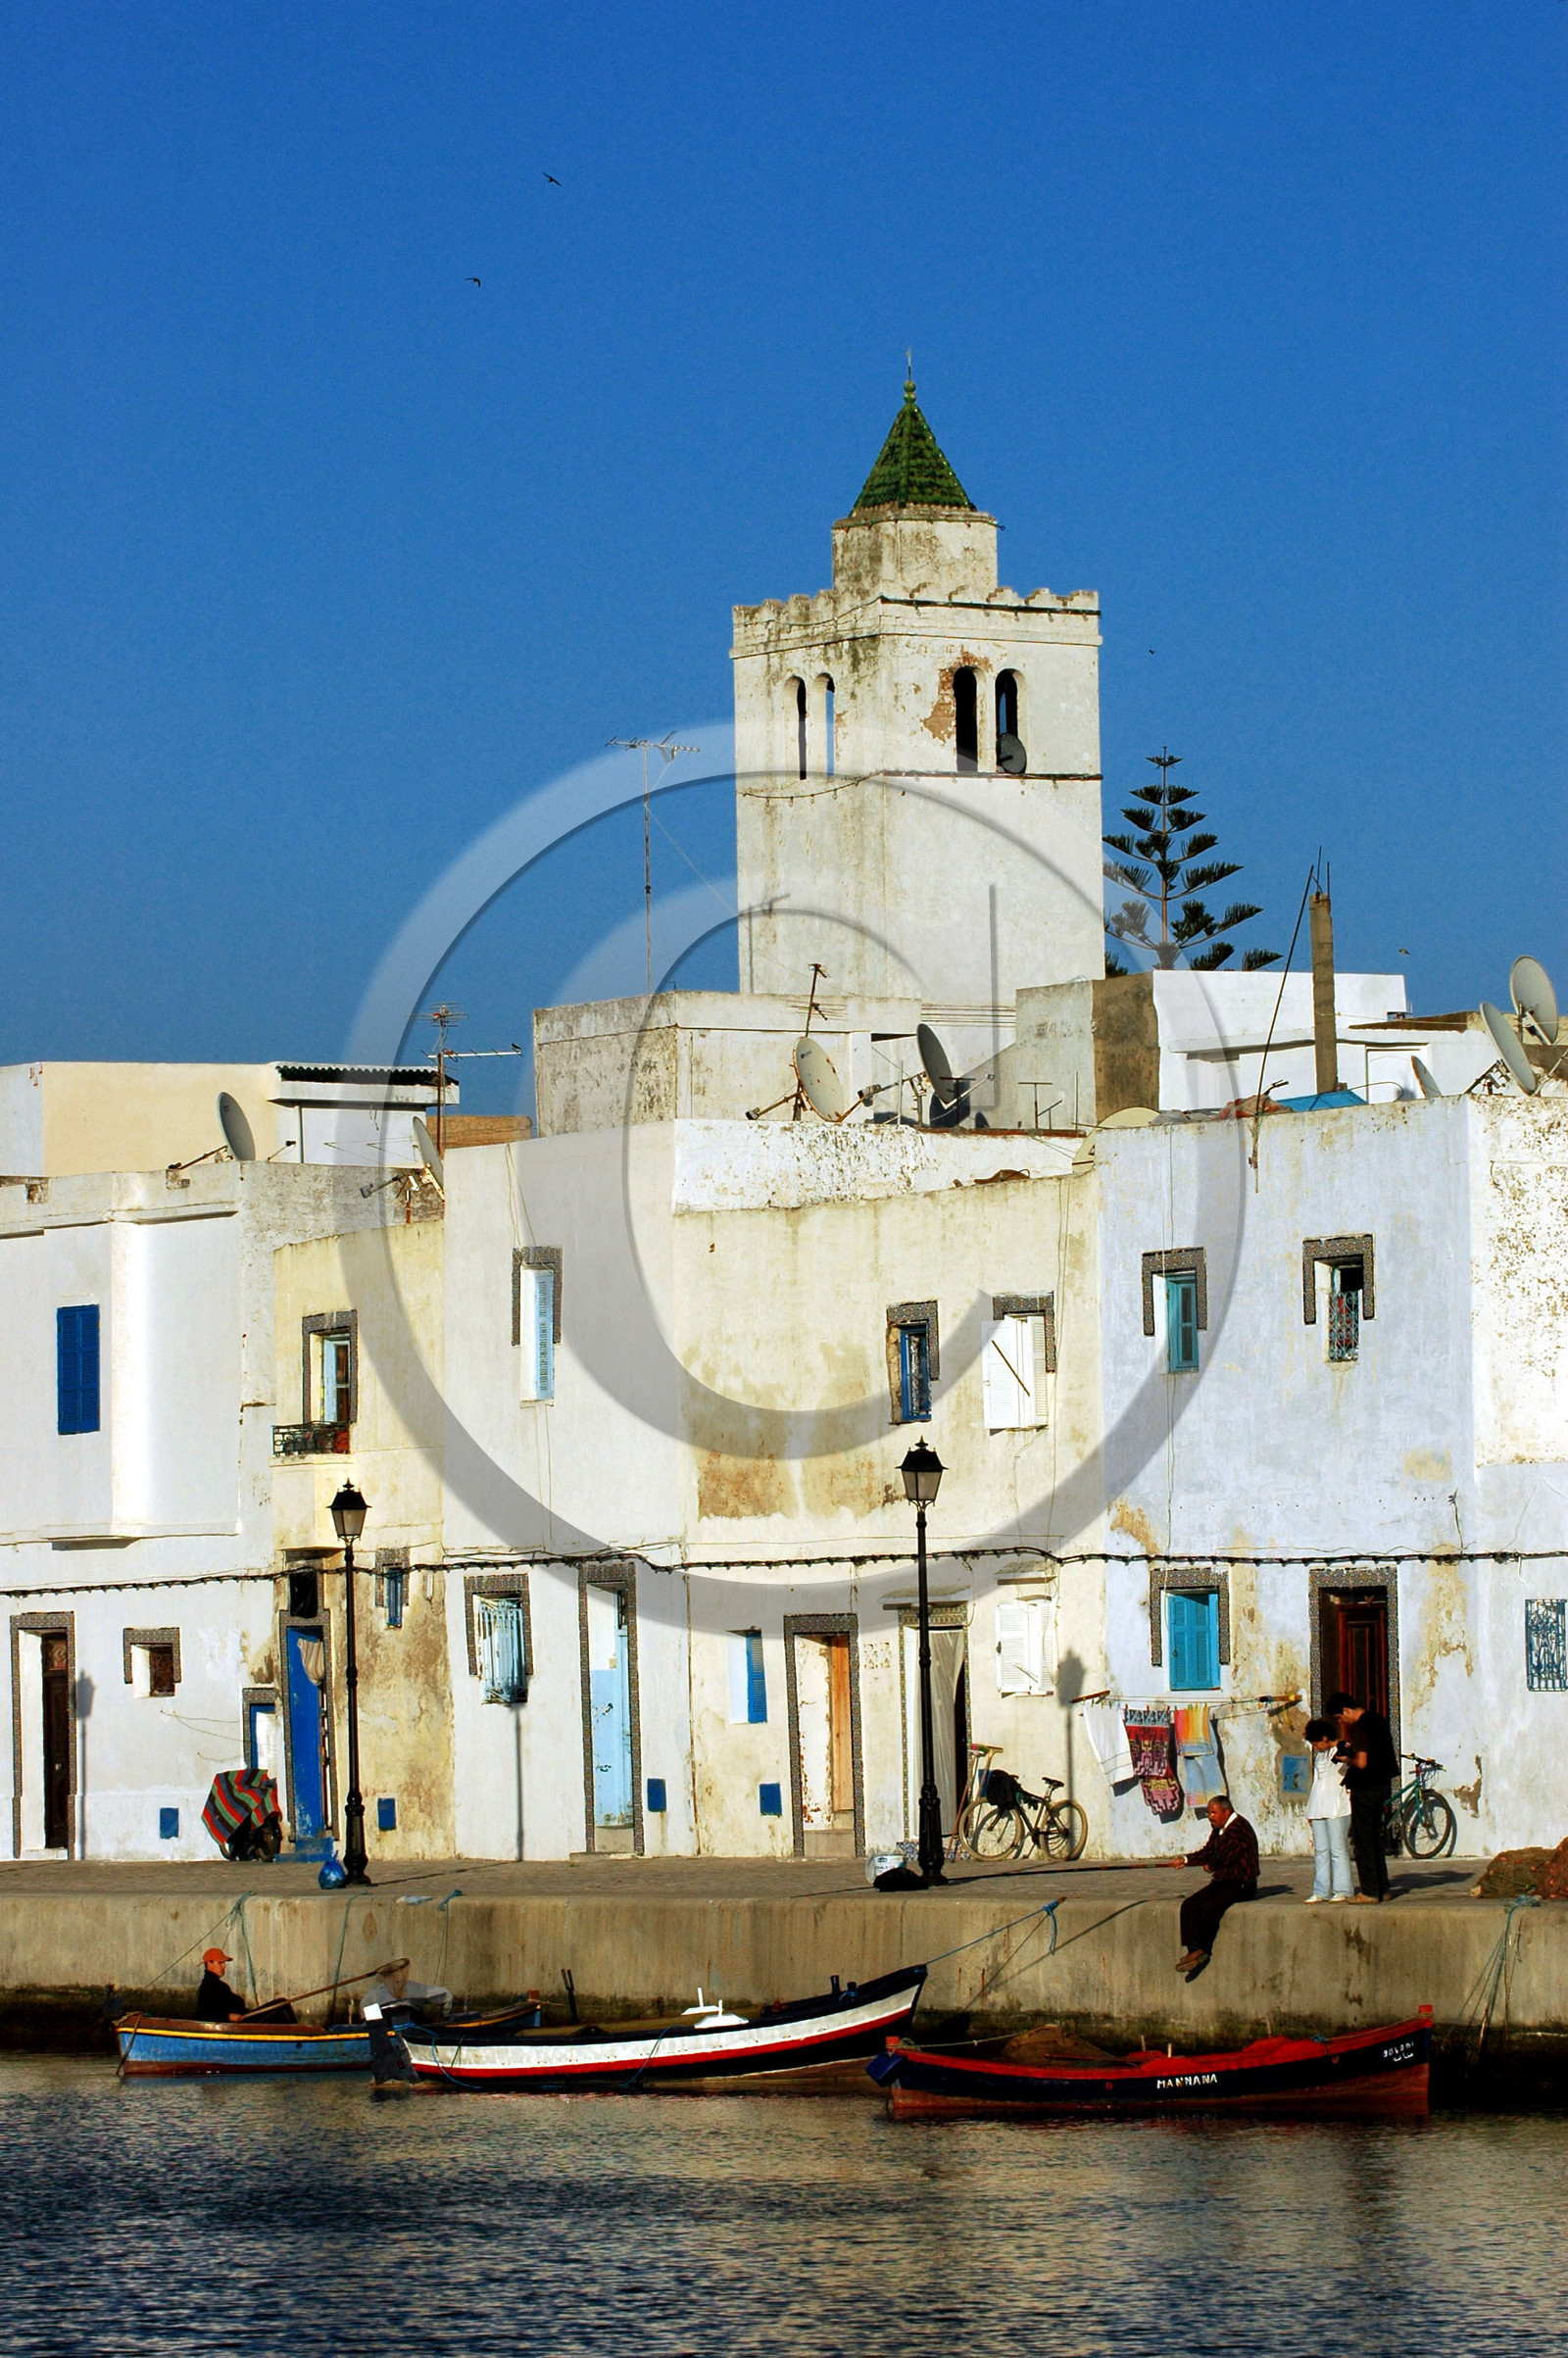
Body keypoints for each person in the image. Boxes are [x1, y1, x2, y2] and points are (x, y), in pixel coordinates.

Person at [1168, 1794, 1259, 1975]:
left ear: (1226, 1811)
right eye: (1209, 1813)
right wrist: (1186, 1860)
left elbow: (1225, 1856)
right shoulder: (1219, 1828)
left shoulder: (1239, 1829)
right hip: (1224, 1881)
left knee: (1210, 1908)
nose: (1210, 1816)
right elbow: (1209, 1851)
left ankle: (1203, 1948)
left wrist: (1211, 1865)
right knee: (1189, 1905)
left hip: (1241, 1884)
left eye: (1213, 1812)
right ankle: (1194, 1949)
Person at [1328, 1689, 1398, 1903]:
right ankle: (1382, 1888)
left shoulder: (1361, 1728)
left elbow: (1361, 1762)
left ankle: (1369, 1891)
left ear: (1346, 1710)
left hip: (1365, 1788)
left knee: (1363, 1839)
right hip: (1382, 1786)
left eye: (1341, 1717)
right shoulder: (1379, 1721)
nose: (1343, 1722)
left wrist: (1345, 1760)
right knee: (1376, 1838)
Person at [1302, 1717, 1353, 1902]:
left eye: (1317, 1742)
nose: (1316, 1746)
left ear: (1325, 1738)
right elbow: (1317, 1781)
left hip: (1338, 1805)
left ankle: (1343, 1889)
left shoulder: (1341, 1749)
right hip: (1318, 1805)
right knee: (1321, 1850)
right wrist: (1310, 1810)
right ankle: (1321, 1890)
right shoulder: (1319, 1756)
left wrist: (1344, 1751)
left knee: (1338, 1849)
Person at [194, 1945, 247, 2022]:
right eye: (220, 1963)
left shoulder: (220, 1986)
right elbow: (205, 2014)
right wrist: (228, 2017)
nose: (224, 1966)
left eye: (224, 1963)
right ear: (209, 1964)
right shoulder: (209, 1987)